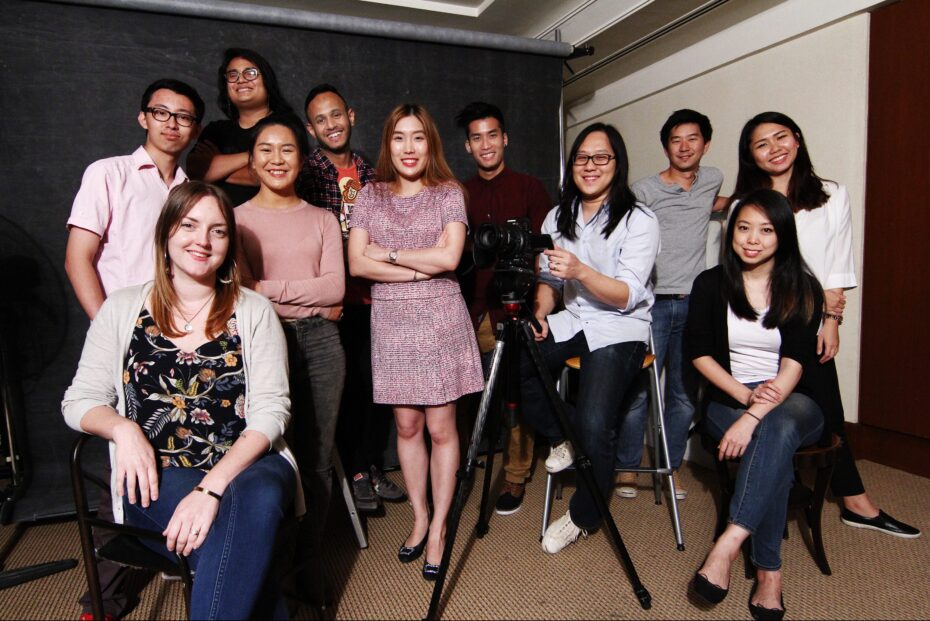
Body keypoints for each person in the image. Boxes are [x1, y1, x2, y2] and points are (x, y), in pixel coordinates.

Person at [62, 182, 301, 620]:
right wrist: (123, 429)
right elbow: (79, 401)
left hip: (250, 463)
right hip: (158, 472)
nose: (202, 240)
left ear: (229, 243)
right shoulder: (122, 308)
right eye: (189, 225)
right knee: (237, 540)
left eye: (218, 231)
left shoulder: (254, 310)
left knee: (258, 498)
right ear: (166, 232)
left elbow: (271, 413)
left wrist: (209, 488)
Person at [732, 111, 919, 538]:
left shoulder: (832, 194)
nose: (774, 148)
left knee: (827, 405)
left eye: (781, 137)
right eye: (762, 144)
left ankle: (852, 498)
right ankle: (838, 496)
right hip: (759, 320)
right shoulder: (748, 203)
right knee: (778, 400)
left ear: (797, 139)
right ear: (751, 156)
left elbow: (837, 264)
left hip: (807, 318)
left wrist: (831, 321)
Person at [64, 78, 204, 621]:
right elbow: (79, 257)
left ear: (194, 129)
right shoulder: (109, 174)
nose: (172, 123)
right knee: (123, 466)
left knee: (181, 454)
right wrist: (111, 331)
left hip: (181, 345)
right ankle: (105, 601)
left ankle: (189, 561)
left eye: (183, 116)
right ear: (143, 117)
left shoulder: (191, 191)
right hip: (122, 338)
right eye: (161, 112)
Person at [347, 103, 484, 580]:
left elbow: (450, 259)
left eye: (418, 137)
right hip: (392, 323)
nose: (409, 147)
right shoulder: (370, 195)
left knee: (442, 428)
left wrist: (388, 254)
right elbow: (356, 264)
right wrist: (415, 268)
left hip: (440, 319)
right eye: (399, 137)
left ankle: (440, 527)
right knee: (406, 427)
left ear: (431, 144)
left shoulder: (449, 193)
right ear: (388, 143)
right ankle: (420, 517)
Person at [687, 189, 828, 620]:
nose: (752, 239)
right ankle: (769, 572)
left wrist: (753, 415)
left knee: (776, 425)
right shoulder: (710, 284)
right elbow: (699, 354)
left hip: (793, 399)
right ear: (731, 232)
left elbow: (795, 364)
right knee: (775, 446)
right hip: (730, 395)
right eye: (744, 228)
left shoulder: (803, 287)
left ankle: (728, 544)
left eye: (766, 230)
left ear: (782, 235)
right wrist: (745, 397)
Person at [520, 123, 660, 554]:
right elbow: (548, 279)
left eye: (601, 157)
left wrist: (580, 271)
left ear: (617, 164)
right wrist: (540, 312)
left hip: (621, 326)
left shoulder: (639, 219)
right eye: (582, 157)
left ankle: (584, 515)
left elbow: (628, 294)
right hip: (574, 319)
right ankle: (569, 435)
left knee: (597, 420)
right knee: (510, 362)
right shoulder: (556, 217)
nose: (590, 165)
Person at [234, 113, 346, 602]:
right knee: (272, 459)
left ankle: (308, 563)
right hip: (262, 342)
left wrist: (267, 288)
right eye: (266, 149)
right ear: (252, 159)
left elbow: (336, 288)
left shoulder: (322, 219)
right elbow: (241, 294)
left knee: (318, 459)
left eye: (287, 150)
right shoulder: (235, 219)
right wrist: (306, 296)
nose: (277, 159)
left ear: (302, 160)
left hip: (321, 343)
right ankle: (273, 571)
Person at [296, 83, 405, 512]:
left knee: (380, 388)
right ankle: (356, 472)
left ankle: (371, 464)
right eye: (320, 119)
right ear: (311, 129)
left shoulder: (371, 172)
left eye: (336, 115)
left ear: (351, 116)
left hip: (377, 297)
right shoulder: (306, 174)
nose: (331, 125)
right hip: (337, 304)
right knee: (348, 391)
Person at [614, 109, 726, 500]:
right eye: (676, 140)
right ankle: (628, 466)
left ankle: (670, 467)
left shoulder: (712, 179)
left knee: (682, 394)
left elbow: (713, 203)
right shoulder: (644, 190)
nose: (684, 147)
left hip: (695, 304)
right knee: (638, 389)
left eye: (692, 139)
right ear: (666, 148)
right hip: (653, 304)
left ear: (705, 144)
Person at [454, 101, 551, 516]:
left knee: (515, 393)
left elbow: (544, 253)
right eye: (477, 138)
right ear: (467, 146)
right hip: (472, 308)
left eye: (492, 135)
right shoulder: (458, 194)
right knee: (461, 395)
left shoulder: (530, 188)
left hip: (516, 308)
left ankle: (515, 473)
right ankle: (460, 468)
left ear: (505, 138)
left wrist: (539, 308)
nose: (486, 144)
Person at [187, 48, 293, 206]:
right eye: (233, 75)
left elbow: (270, 176)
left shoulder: (285, 125)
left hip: (269, 218)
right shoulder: (216, 130)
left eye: (250, 73)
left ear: (267, 80)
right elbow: (195, 171)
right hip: (218, 219)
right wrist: (251, 156)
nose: (241, 80)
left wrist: (216, 167)